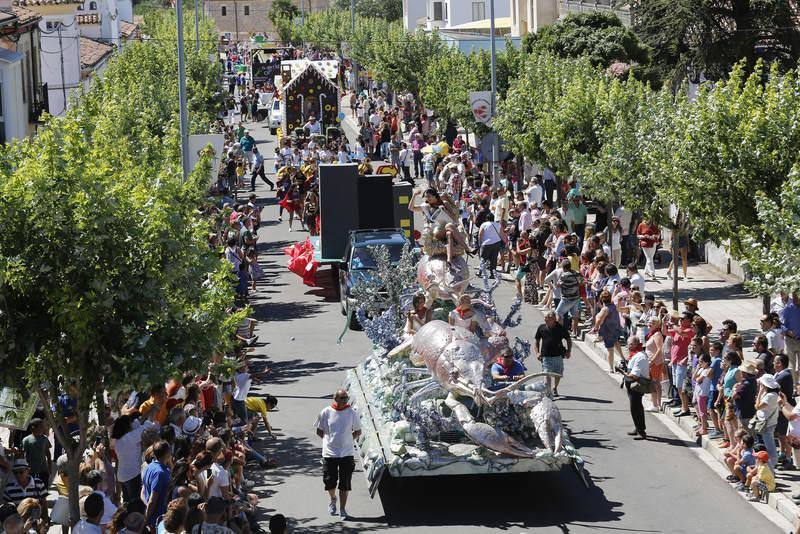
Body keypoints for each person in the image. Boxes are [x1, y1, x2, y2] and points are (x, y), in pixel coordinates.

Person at [315, 389, 361, 520]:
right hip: (330, 454)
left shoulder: (352, 413)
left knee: (345, 483)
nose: (345, 400)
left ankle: (342, 509)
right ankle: (333, 499)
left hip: (347, 453)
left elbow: (358, 431)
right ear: (335, 398)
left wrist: (347, 440)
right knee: (329, 482)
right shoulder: (326, 412)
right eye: (342, 398)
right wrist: (330, 442)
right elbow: (319, 431)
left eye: (346, 397)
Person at [534, 311, 571, 395]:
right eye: (545, 318)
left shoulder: (560, 328)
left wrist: (568, 351)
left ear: (553, 319)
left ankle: (554, 388)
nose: (545, 319)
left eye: (547, 318)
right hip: (545, 356)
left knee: (557, 374)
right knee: (547, 374)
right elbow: (537, 341)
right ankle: (548, 391)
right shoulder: (541, 328)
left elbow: (568, 339)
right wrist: (537, 352)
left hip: (558, 356)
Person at [623, 336, 650, 440]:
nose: (628, 346)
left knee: (636, 407)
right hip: (632, 385)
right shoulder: (635, 355)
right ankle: (637, 427)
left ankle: (641, 431)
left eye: (630, 344)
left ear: (635, 344)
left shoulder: (640, 357)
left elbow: (635, 375)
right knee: (634, 407)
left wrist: (624, 373)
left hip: (637, 386)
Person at [668, 312, 694, 416]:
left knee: (681, 387)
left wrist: (673, 325)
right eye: (681, 318)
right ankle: (683, 407)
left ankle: (685, 408)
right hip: (675, 361)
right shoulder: (677, 329)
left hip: (682, 362)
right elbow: (665, 332)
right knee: (678, 386)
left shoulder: (690, 330)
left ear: (689, 320)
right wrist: (664, 321)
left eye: (683, 318)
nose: (681, 320)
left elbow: (682, 333)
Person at [754, 373, 781, 468]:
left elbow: (757, 406)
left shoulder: (770, 396)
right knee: (764, 445)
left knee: (770, 447)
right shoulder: (770, 394)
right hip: (765, 423)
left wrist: (760, 393)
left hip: (767, 424)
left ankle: (771, 466)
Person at [142, 441, 172, 526]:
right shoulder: (160, 473)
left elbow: (143, 492)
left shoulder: (150, 466)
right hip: (157, 520)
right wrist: (146, 520)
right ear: (167, 453)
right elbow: (152, 500)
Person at [594, 290, 623, 372]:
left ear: (601, 299)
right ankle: (623, 358)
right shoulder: (613, 305)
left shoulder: (605, 309)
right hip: (616, 329)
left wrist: (596, 328)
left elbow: (599, 320)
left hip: (608, 331)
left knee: (610, 350)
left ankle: (611, 368)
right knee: (616, 342)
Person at [555, 259, 582, 337]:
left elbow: (558, 285)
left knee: (558, 313)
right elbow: (582, 282)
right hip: (576, 297)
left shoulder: (564, 275)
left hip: (566, 298)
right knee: (575, 315)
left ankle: (561, 331)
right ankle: (574, 333)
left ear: (563, 267)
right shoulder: (576, 273)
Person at [21, 419, 51, 487]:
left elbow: (48, 454)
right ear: (33, 427)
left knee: (44, 489)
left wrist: (50, 468)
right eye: (41, 426)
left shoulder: (44, 439)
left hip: (43, 470)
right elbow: (22, 455)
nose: (43, 428)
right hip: (31, 470)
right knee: (32, 488)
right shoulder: (26, 440)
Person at [477, 213, 506, 278]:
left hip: (486, 243)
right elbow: (502, 234)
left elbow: (480, 234)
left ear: (486, 219)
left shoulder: (484, 224)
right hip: (496, 243)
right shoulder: (498, 225)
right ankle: (492, 274)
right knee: (493, 259)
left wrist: (480, 243)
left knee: (483, 258)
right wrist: (505, 242)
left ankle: (480, 272)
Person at [782, 293, 800, 379]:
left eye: (798, 296)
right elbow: (782, 324)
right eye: (795, 296)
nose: (796, 299)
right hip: (790, 340)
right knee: (791, 365)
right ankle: (794, 387)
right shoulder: (788, 309)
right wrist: (787, 331)